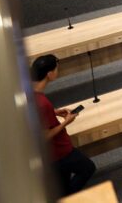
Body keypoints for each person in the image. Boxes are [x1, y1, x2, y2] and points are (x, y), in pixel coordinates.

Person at [31, 55, 97, 195]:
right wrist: (67, 121)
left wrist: (54, 112)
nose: (58, 72)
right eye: (56, 69)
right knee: (87, 168)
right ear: (49, 74)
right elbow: (46, 135)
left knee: (62, 183)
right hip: (58, 151)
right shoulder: (42, 104)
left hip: (47, 155)